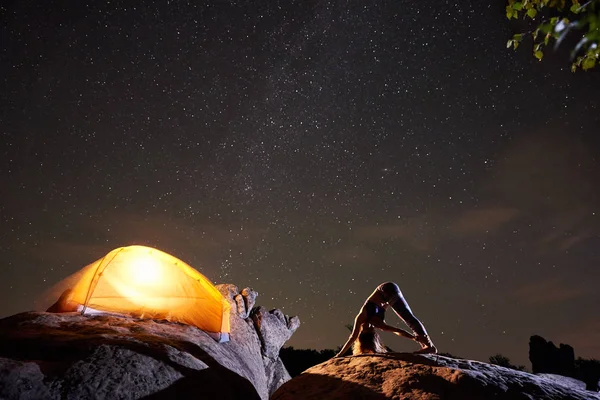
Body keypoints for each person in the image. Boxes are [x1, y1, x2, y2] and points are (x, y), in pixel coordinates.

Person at [335, 282, 437, 357]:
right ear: (372, 331)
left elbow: (352, 337)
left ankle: (429, 346)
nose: (369, 326)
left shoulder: (361, 317)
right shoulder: (379, 324)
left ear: (361, 331)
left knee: (409, 318)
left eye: (365, 328)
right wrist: (414, 338)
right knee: (409, 317)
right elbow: (398, 331)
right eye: (370, 329)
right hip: (391, 292)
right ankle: (426, 345)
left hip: (385, 289)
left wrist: (339, 355)